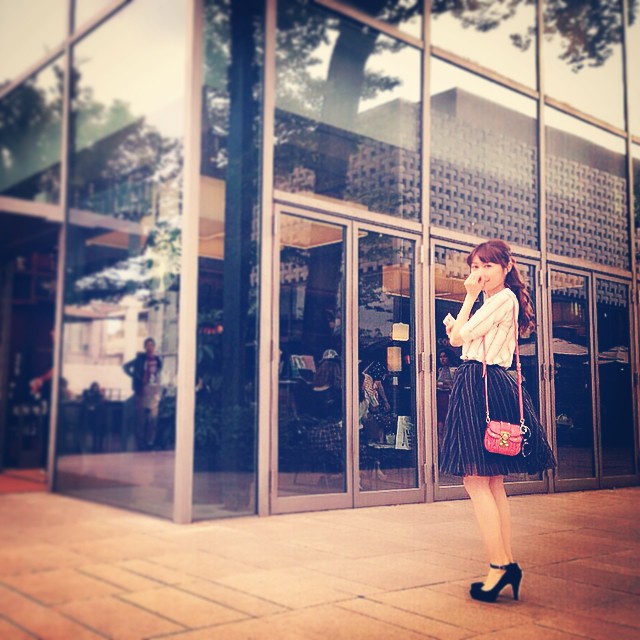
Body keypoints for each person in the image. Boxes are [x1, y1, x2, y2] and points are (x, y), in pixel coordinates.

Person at [439, 239, 555, 603]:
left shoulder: (501, 298)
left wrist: (469, 297)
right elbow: (460, 337)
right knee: (491, 481)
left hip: (480, 383)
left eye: (487, 265)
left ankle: (499, 566)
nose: (479, 273)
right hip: (490, 383)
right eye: (474, 267)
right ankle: (506, 563)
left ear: (507, 266)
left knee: (476, 480)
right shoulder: (497, 302)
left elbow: (458, 338)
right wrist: (472, 305)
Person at [123, 338, 163, 450]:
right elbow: (125, 367)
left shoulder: (157, 359)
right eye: (148, 345)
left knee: (153, 419)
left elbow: (158, 372)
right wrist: (136, 376)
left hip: (153, 391)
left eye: (152, 345)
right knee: (141, 419)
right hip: (142, 391)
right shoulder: (140, 359)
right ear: (145, 347)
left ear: (154, 347)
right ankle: (140, 443)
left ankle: (150, 442)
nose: (150, 347)